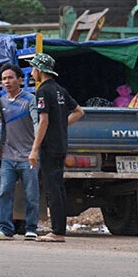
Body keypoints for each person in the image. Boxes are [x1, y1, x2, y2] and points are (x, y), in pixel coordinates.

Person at [27, 52, 85, 243]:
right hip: (61, 144)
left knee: (53, 189)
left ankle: (57, 231)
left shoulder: (42, 91)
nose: (32, 72)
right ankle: (59, 228)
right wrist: (61, 124)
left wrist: (34, 149)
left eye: (33, 68)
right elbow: (79, 112)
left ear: (40, 70)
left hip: (49, 146)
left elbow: (43, 120)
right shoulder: (60, 90)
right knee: (58, 187)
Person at [0, 64, 40, 240]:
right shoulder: (1, 100)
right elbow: (3, 126)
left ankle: (31, 228)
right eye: (4, 78)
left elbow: (37, 124)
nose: (7, 81)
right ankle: (5, 228)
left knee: (31, 193)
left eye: (11, 77)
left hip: (28, 157)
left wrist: (35, 149)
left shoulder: (29, 99)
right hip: (8, 157)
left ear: (20, 79)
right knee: (4, 192)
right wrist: (1, 147)